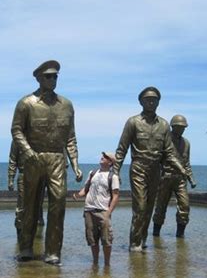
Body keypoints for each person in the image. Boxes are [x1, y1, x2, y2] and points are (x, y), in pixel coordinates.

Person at [11, 60, 83, 265]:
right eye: (48, 76)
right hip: (34, 159)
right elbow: (16, 130)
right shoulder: (26, 103)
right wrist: (28, 152)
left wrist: (75, 164)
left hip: (57, 160)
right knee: (30, 206)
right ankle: (25, 247)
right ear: (39, 78)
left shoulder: (66, 105)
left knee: (58, 204)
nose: (53, 79)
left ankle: (53, 251)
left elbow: (70, 137)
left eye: (55, 76)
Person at [113, 87, 188, 252]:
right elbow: (122, 149)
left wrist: (181, 169)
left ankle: (143, 238)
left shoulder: (164, 125)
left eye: (154, 99)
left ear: (159, 102)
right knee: (139, 206)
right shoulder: (133, 122)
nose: (151, 102)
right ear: (141, 101)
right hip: (138, 168)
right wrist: (115, 171)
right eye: (148, 99)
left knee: (148, 207)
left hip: (155, 170)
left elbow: (169, 151)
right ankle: (134, 242)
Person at [153, 115, 196, 238]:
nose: (182, 129)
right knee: (161, 207)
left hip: (180, 179)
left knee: (185, 206)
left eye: (184, 127)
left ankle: (180, 236)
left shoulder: (186, 143)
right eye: (179, 127)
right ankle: (156, 235)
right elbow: (157, 159)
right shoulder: (164, 140)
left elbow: (186, 163)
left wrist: (191, 178)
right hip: (166, 177)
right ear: (173, 127)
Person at [73, 152, 120, 266]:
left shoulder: (113, 177)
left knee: (106, 240)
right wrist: (78, 195)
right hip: (89, 210)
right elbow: (86, 189)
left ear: (110, 162)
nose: (102, 157)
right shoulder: (92, 173)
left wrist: (108, 212)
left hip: (103, 211)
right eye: (103, 156)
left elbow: (116, 196)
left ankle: (107, 264)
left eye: (106, 157)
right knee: (92, 240)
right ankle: (95, 263)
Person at [8, 140, 45, 240]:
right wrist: (11, 178)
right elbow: (13, 160)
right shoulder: (17, 140)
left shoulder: (40, 136)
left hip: (40, 176)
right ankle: (20, 239)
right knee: (21, 209)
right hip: (23, 175)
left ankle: (34, 239)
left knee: (37, 208)